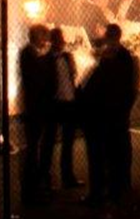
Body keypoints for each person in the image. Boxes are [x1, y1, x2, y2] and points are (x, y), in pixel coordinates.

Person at [78, 24, 139, 207]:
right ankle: (117, 186)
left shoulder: (109, 60)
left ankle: (105, 190)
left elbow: (90, 85)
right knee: (116, 151)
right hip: (112, 113)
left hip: (105, 114)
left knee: (104, 153)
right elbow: (131, 87)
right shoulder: (123, 58)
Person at [17, 24, 56, 206]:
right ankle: (31, 187)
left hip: (43, 107)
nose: (45, 41)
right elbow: (35, 78)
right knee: (32, 148)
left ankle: (42, 182)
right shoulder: (28, 54)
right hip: (34, 108)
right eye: (43, 37)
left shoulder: (38, 55)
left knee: (44, 146)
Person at [48, 26, 83, 189]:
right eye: (59, 39)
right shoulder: (47, 60)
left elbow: (73, 76)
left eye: (61, 39)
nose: (61, 42)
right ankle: (47, 178)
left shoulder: (67, 57)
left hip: (69, 103)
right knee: (49, 143)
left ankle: (68, 177)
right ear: (53, 41)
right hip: (55, 105)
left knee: (68, 142)